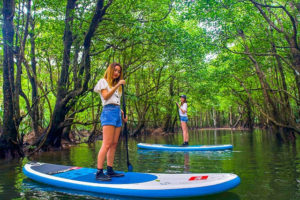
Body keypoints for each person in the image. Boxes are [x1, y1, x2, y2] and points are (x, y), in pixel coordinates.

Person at [93, 62, 127, 181]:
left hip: (117, 113)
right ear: (110, 70)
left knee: (114, 144)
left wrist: (122, 113)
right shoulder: (103, 81)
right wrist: (118, 85)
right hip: (108, 113)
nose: (117, 73)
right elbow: (106, 97)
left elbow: (114, 101)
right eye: (115, 70)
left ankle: (110, 170)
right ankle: (99, 172)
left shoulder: (115, 86)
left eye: (119, 71)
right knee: (106, 144)